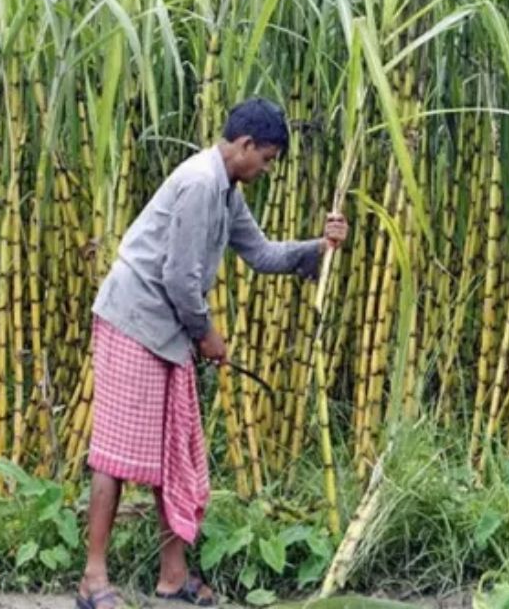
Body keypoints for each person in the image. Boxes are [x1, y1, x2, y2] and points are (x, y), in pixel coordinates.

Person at [75, 97, 349, 608]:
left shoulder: (226, 191)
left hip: (166, 328)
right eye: (266, 159)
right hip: (133, 320)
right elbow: (179, 278)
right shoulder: (202, 183)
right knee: (114, 453)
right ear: (244, 145)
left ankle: (173, 577)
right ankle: (93, 579)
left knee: (172, 448)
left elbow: (262, 253)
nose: (266, 170)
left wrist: (319, 248)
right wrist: (207, 335)